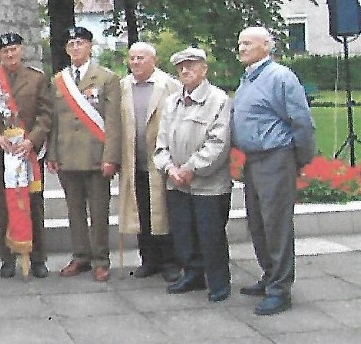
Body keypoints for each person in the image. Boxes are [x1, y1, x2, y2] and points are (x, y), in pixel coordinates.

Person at [231, 26, 316, 316]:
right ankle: (269, 276)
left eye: (248, 43)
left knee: (276, 225)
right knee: (257, 223)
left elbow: (301, 121)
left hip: (275, 159)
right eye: (240, 43)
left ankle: (280, 289)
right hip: (254, 160)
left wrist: (299, 159)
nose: (241, 48)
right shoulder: (249, 78)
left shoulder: (280, 77)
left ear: (266, 46)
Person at [154, 47, 232, 302]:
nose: (185, 71)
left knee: (211, 235)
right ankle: (193, 274)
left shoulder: (219, 100)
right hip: (177, 181)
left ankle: (219, 283)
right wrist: (170, 169)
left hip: (208, 184)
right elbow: (161, 142)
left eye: (191, 65)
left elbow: (218, 144)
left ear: (204, 69)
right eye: (181, 67)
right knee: (184, 233)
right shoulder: (171, 101)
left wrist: (190, 168)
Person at [47, 26, 122, 282]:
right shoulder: (59, 80)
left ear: (90, 46)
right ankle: (80, 256)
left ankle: (101, 260)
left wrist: (111, 156)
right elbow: (54, 121)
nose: (76, 48)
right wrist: (53, 154)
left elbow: (113, 122)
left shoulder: (107, 78)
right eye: (71, 44)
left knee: (99, 212)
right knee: (74, 211)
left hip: (96, 156)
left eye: (80, 43)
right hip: (68, 156)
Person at [0, 32, 52, 279]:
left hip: (29, 154)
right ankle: (8, 257)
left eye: (13, 49)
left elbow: (46, 115)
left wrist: (31, 140)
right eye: (4, 51)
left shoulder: (37, 78)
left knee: (34, 206)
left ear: (21, 50)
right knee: (5, 206)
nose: (10, 55)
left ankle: (38, 258)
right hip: (3, 154)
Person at [119, 42, 181, 282]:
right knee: (141, 211)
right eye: (132, 58)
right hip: (134, 161)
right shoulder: (123, 86)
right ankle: (149, 260)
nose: (135, 62)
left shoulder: (169, 85)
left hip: (163, 162)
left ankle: (170, 261)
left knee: (163, 212)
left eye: (141, 58)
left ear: (153, 60)